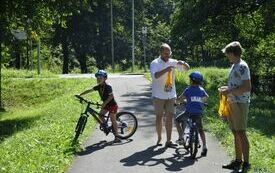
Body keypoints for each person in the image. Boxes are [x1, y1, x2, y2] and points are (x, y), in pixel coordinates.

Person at [219, 41, 251, 173]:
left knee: (241, 132)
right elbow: (236, 85)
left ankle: (246, 163)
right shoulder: (234, 65)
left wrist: (229, 91)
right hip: (232, 101)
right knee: (235, 132)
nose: (227, 56)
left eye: (228, 54)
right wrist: (227, 89)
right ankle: (238, 161)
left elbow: (247, 87)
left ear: (233, 53)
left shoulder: (242, 66)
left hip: (240, 103)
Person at [150, 43, 190, 148]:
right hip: (158, 95)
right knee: (159, 117)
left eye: (169, 53)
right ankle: (159, 138)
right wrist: (166, 69)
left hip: (171, 94)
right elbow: (155, 76)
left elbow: (186, 69)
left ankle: (168, 140)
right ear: (161, 53)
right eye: (165, 53)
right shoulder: (155, 63)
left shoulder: (173, 62)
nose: (168, 55)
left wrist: (183, 63)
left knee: (170, 117)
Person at [77, 69, 121, 143]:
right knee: (100, 115)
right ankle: (106, 127)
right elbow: (90, 90)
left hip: (112, 105)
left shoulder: (108, 86)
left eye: (100, 78)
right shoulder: (99, 86)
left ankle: (117, 137)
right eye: (97, 78)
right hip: (106, 105)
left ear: (105, 78)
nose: (98, 79)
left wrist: (104, 103)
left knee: (113, 119)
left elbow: (111, 96)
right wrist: (80, 94)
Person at [175, 71, 209, 156]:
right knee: (201, 129)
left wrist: (177, 102)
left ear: (191, 81)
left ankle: (181, 138)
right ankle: (204, 146)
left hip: (189, 112)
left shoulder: (188, 89)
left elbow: (180, 99)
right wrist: (201, 101)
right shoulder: (201, 90)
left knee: (177, 120)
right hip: (198, 113)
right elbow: (206, 97)